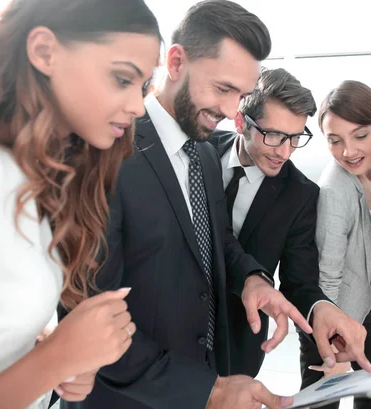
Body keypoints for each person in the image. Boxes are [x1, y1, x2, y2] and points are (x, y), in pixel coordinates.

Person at [60, 2, 312, 409]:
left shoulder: (206, 155)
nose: (233, 112)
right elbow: (89, 308)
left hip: (196, 383)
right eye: (223, 89)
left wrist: (253, 280)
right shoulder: (106, 152)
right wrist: (209, 392)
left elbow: (216, 242)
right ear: (176, 62)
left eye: (242, 96)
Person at [0, 0, 161, 408]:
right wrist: (54, 360)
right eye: (122, 79)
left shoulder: (28, 167)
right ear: (44, 52)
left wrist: (52, 355)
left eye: (142, 87)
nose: (139, 106)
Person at [209, 70, 371, 379]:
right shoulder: (198, 151)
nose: (284, 151)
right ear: (241, 121)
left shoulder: (301, 194)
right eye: (274, 135)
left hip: (238, 341)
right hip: (166, 329)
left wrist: (321, 308)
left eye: (295, 138)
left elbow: (299, 282)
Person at [299, 80, 371, 409]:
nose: (348, 152)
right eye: (334, 141)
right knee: (323, 399)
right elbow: (327, 276)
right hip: (332, 311)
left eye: (360, 136)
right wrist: (331, 348)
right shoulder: (334, 192)